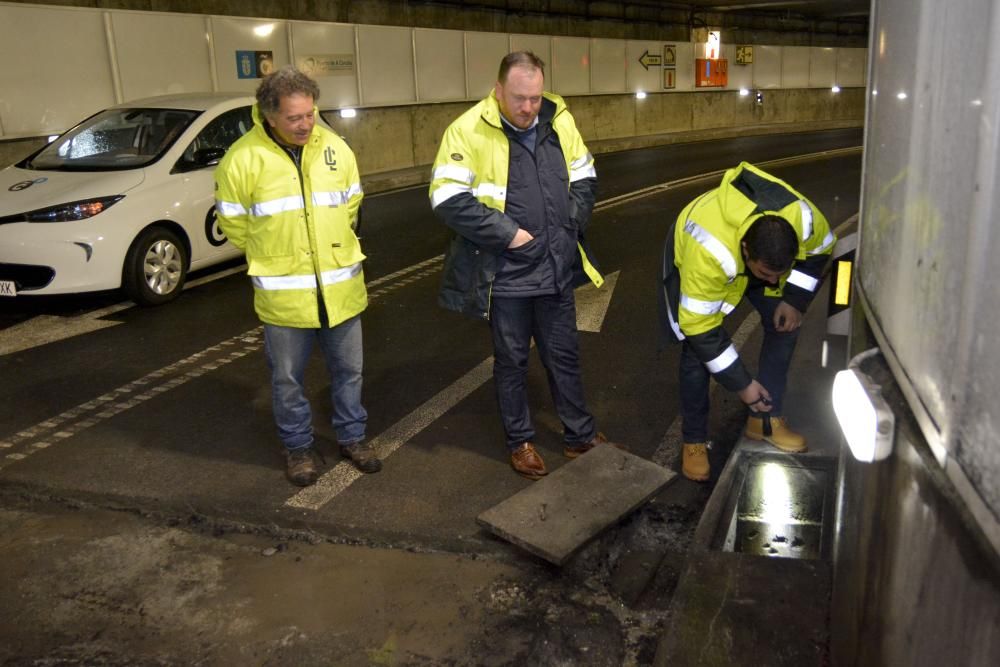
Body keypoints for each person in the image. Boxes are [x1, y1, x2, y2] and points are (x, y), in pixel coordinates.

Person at [429, 51, 621, 480]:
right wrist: (508, 235)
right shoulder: (468, 130)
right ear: (498, 91)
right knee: (512, 361)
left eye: (535, 97)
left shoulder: (559, 118)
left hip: (555, 267)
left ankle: (579, 436)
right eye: (519, 98)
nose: (529, 107)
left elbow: (586, 176)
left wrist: (571, 224)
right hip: (507, 274)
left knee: (564, 356)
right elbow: (447, 199)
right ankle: (520, 442)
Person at [214, 66, 381, 487]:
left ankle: (353, 437)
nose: (305, 123)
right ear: (269, 115)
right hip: (285, 296)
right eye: (294, 117)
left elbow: (351, 202)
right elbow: (234, 225)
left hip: (340, 288)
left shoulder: (336, 149)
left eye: (309, 114)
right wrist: (276, 252)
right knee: (287, 380)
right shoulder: (243, 159)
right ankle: (298, 448)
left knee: (350, 372)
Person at [659, 161, 835, 482]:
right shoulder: (709, 251)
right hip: (696, 254)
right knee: (696, 354)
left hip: (748, 249)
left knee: (785, 326)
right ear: (746, 252)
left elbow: (822, 248)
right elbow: (700, 327)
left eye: (780, 274)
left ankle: (765, 420)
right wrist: (742, 384)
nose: (772, 282)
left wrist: (793, 301)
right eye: (767, 274)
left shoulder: (803, 220)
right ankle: (694, 441)